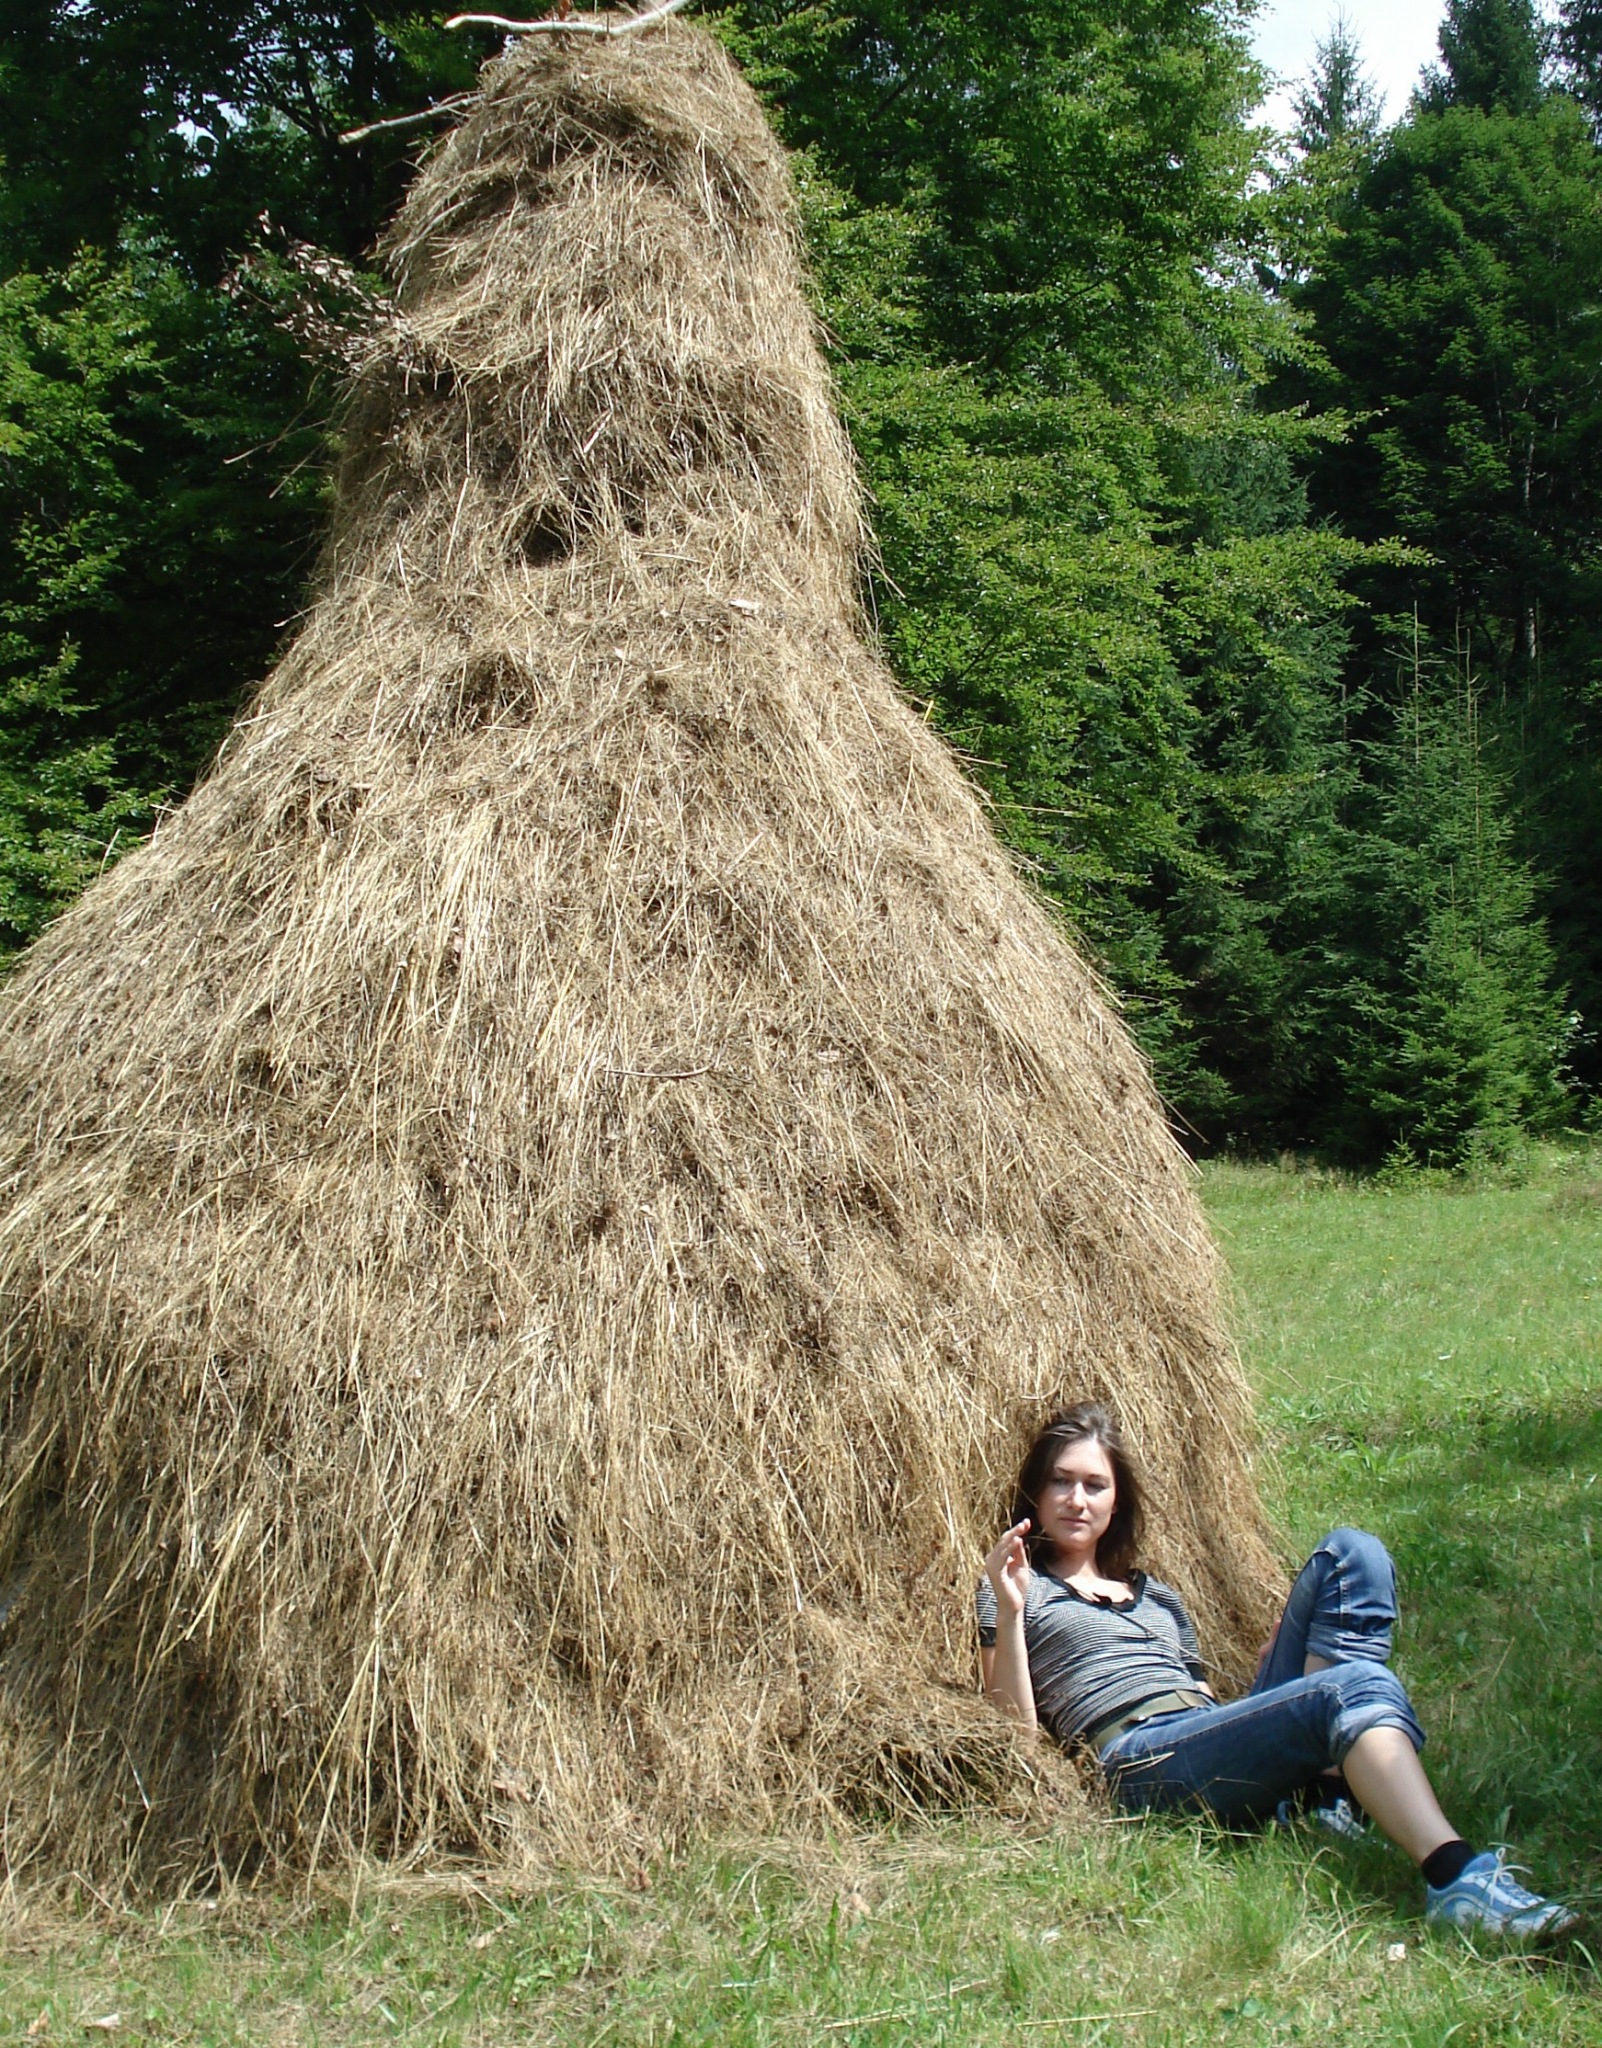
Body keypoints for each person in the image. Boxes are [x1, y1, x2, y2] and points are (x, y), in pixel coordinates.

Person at [978, 1402, 1576, 1940]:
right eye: (1061, 1481)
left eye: (1094, 1484)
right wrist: (1009, 1610)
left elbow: (1201, 1702)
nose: (1076, 1499)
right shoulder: (1018, 1588)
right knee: (1349, 1689)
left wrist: (1263, 1705)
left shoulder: (1157, 1596)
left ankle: (1327, 1803)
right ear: (1037, 1492)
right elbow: (1015, 1734)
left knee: (1353, 1553)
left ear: (1117, 1501)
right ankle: (1454, 1877)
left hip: (1198, 1736)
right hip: (1136, 1761)